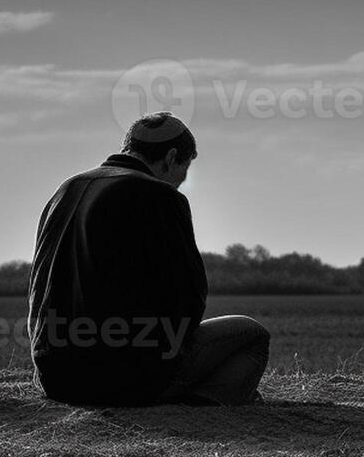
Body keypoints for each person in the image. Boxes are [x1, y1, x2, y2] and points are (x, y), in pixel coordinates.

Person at [29, 112, 270, 407]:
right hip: (126, 379)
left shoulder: (66, 189)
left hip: (54, 377)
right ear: (171, 157)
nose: (182, 181)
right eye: (185, 168)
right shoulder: (160, 196)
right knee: (253, 334)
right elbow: (190, 297)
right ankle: (201, 406)